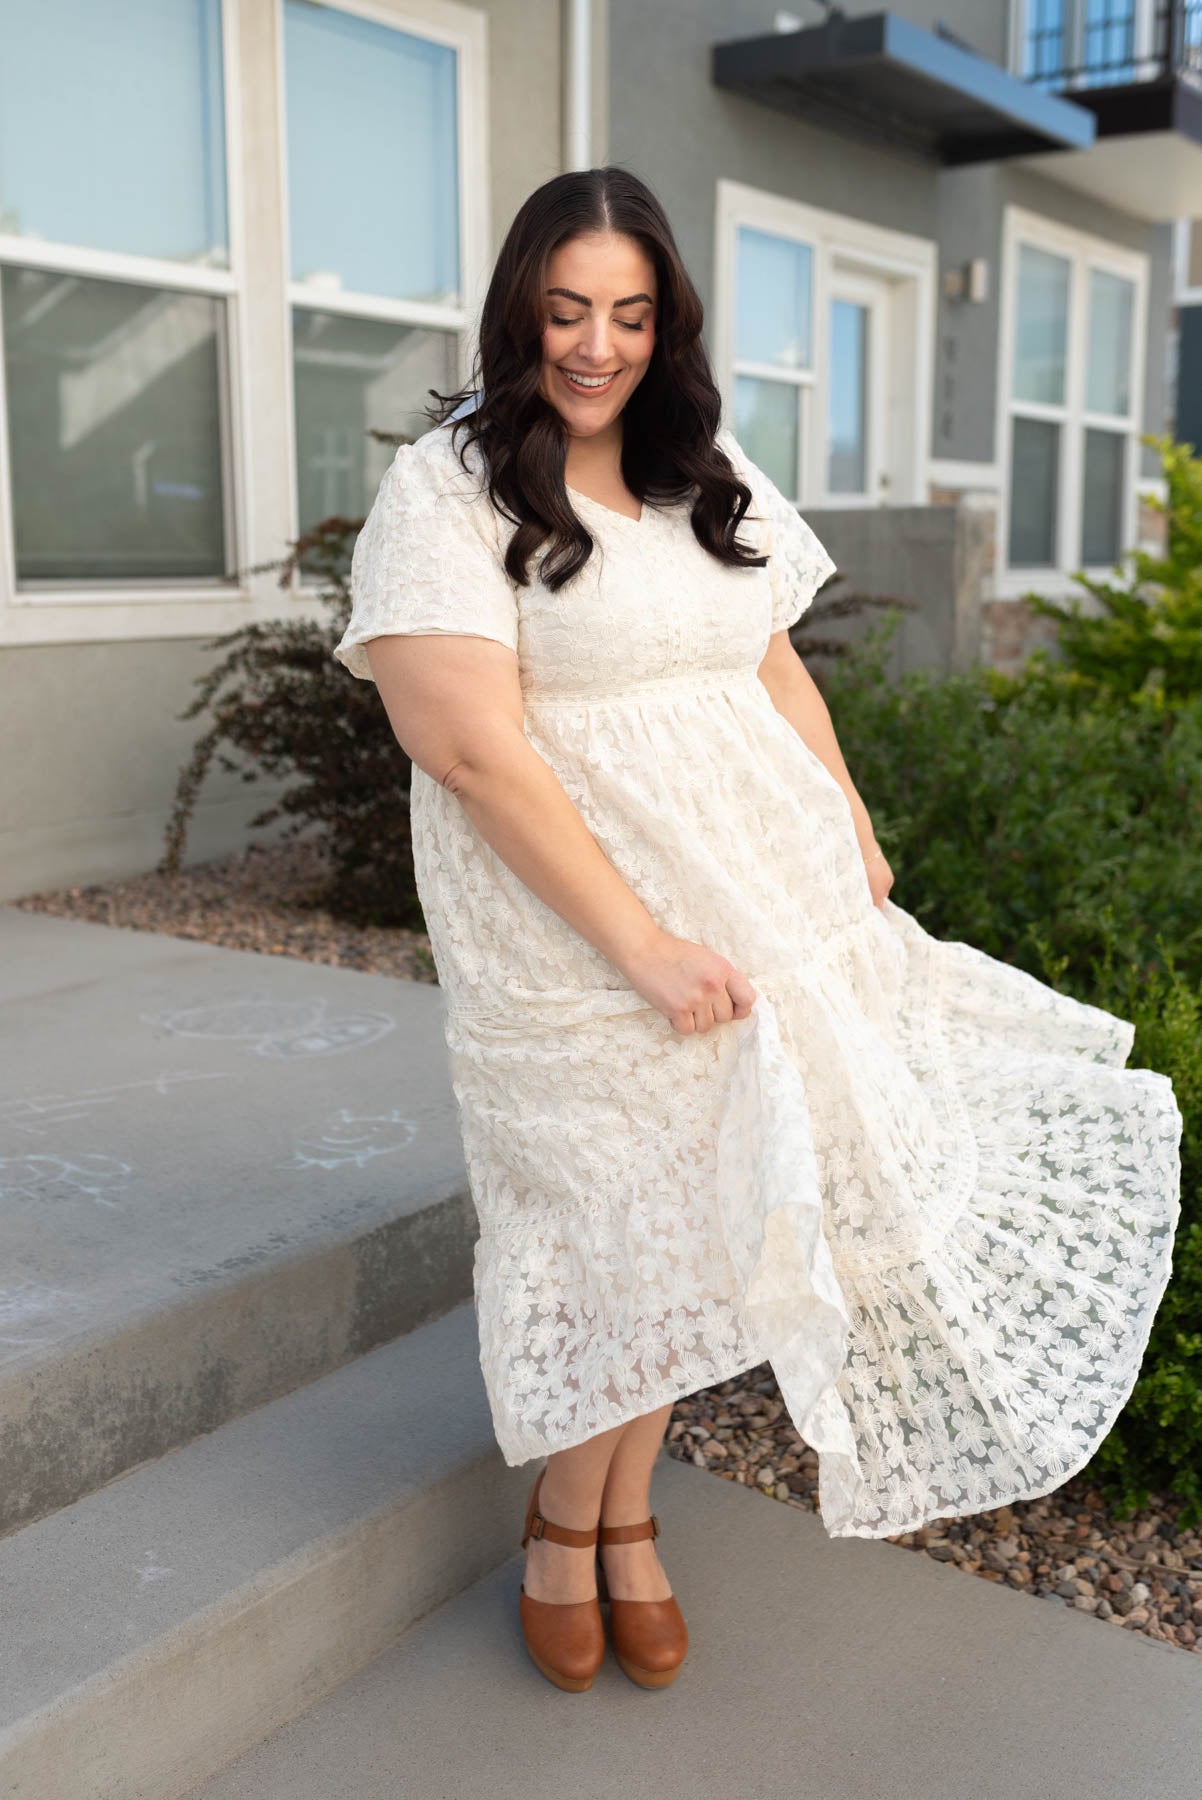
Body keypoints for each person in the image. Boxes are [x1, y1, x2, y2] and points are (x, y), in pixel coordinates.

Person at [333, 167, 1182, 1694]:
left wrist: (842, 817)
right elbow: (466, 749)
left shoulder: (692, 457)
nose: (597, 345)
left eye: (631, 314)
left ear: (669, 327)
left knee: (707, 1207)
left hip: (758, 894)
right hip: (572, 922)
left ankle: (616, 1513)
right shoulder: (447, 484)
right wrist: (643, 945)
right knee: (602, 1214)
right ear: (520, 310)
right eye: (567, 310)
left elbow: (770, 655)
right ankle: (563, 1513)